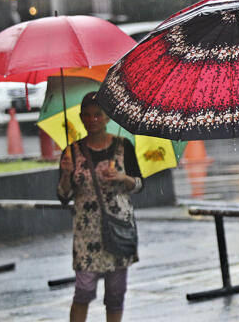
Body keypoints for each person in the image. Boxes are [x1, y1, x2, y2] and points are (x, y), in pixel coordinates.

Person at [58, 92, 143, 322]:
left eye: (98, 115)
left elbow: (138, 185)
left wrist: (122, 177)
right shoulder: (71, 152)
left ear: (107, 118)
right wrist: (66, 173)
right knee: (83, 291)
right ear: (81, 118)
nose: (92, 119)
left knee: (115, 294)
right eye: (87, 115)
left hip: (118, 229)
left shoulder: (123, 146)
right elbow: (63, 196)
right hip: (87, 235)